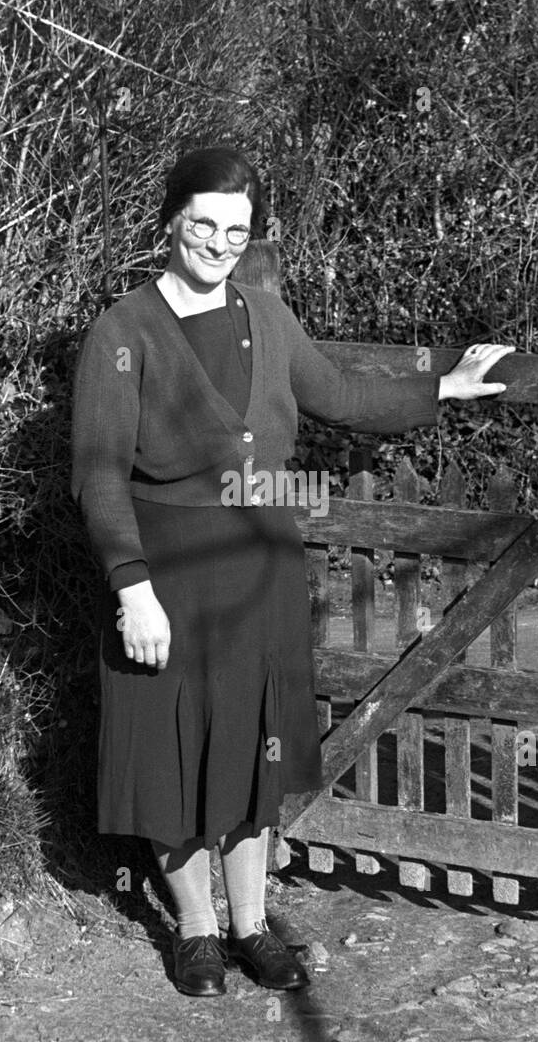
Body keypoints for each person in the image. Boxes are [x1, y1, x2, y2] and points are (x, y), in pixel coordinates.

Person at [71, 144, 513, 998]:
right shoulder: (122, 332)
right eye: (203, 223)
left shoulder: (266, 317)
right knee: (174, 750)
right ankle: (195, 933)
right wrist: (133, 591)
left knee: (247, 752)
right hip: (168, 576)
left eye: (237, 229)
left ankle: (250, 924)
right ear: (170, 221)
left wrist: (442, 388)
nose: (219, 242)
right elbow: (97, 474)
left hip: (261, 573)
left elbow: (341, 396)